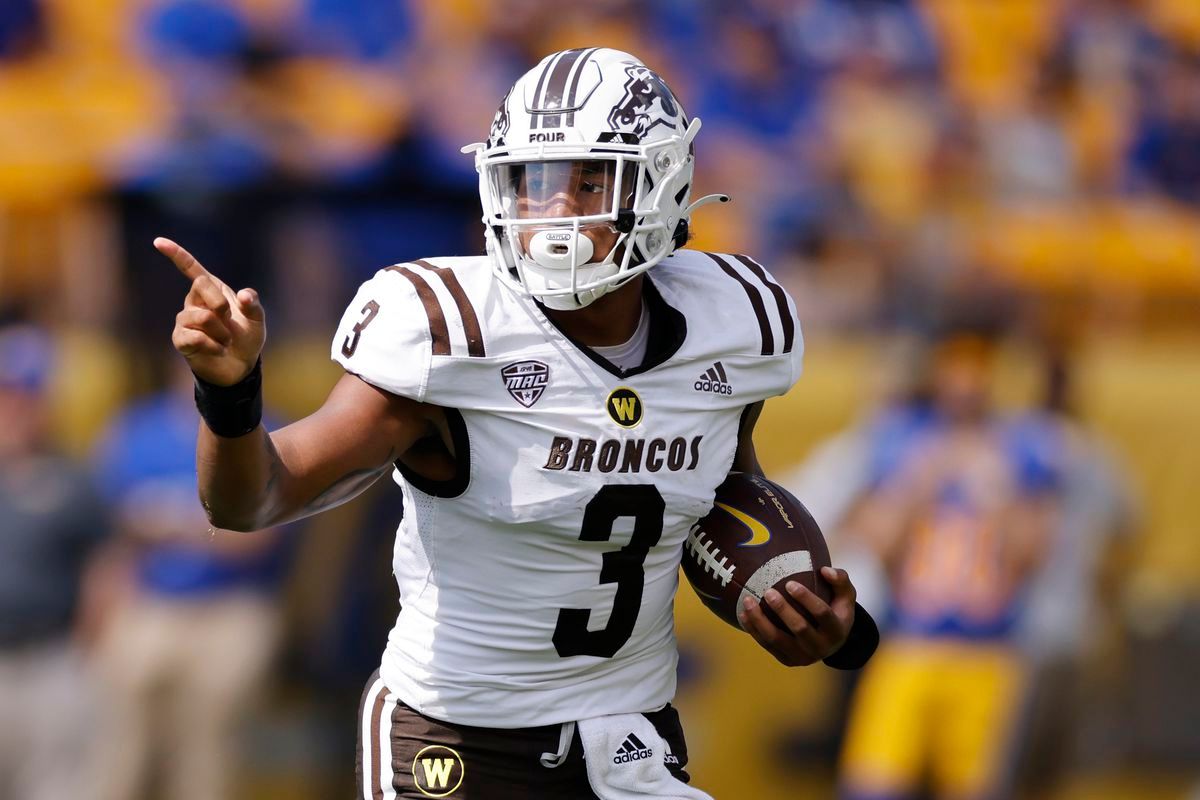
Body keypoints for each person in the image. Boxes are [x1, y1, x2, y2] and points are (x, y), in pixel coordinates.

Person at [156, 47, 878, 799]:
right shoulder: (450, 330)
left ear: (662, 183)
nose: (555, 212)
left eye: (588, 180)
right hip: (455, 742)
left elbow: (719, 492)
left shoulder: (727, 320)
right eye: (534, 183)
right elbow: (252, 499)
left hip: (630, 738)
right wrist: (231, 393)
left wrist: (791, 604)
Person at [837, 331, 1062, 800]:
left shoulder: (1023, 446)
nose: (966, 381)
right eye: (956, 367)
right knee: (873, 783)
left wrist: (997, 494)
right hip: (912, 641)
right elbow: (875, 540)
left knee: (975, 786)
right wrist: (921, 482)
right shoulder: (902, 439)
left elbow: (1033, 552)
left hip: (988, 648)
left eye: (976, 367)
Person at [88, 356, 288, 800]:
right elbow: (112, 529)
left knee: (208, 752)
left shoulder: (263, 428)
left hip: (231, 607)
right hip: (150, 602)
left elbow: (259, 539)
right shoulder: (138, 428)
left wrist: (172, 525)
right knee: (122, 751)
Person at [0, 323, 110, 800]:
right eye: (8, 394)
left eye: (28, 395)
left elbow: (105, 571)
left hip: (50, 659)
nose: (16, 408)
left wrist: (84, 657)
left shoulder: (72, 479)